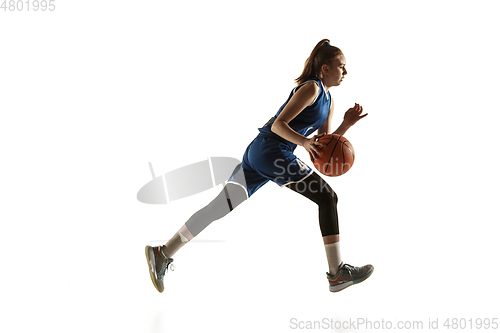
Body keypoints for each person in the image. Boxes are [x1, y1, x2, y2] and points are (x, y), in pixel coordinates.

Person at [145, 39, 373, 293]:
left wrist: (346, 126)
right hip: (272, 150)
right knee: (327, 198)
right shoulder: (312, 88)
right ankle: (336, 273)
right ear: (325, 69)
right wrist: (304, 142)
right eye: (341, 66)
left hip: (261, 154)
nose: (346, 72)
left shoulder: (329, 102)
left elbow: (322, 149)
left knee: (217, 208)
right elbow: (278, 125)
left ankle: (163, 252)